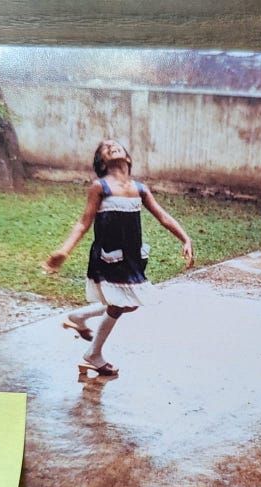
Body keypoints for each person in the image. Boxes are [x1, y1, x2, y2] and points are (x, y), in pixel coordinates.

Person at [44, 139, 193, 376]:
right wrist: (65, 250)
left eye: (116, 145)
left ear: (128, 158)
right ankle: (93, 353)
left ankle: (78, 317)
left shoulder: (140, 188)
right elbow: (84, 222)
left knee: (129, 303)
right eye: (106, 147)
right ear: (102, 161)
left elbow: (163, 217)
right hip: (108, 256)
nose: (111, 146)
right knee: (120, 303)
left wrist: (185, 238)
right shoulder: (99, 187)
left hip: (131, 257)